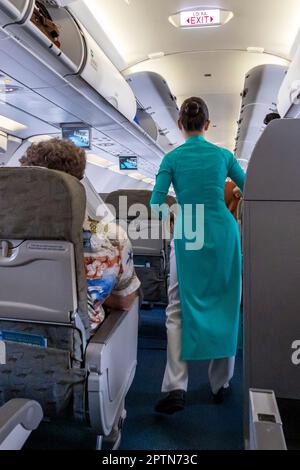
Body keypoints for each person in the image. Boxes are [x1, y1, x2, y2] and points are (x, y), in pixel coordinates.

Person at [150, 97, 246, 414]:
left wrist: (176, 218)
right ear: (207, 125)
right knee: (225, 304)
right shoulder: (223, 155)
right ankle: (221, 384)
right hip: (223, 230)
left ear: (180, 125)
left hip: (189, 228)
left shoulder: (172, 158)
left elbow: (155, 204)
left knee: (177, 307)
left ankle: (175, 387)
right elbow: (252, 188)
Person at [19, 138, 140, 330]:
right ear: (79, 182)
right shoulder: (111, 237)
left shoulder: (8, 235)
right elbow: (125, 301)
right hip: (75, 343)